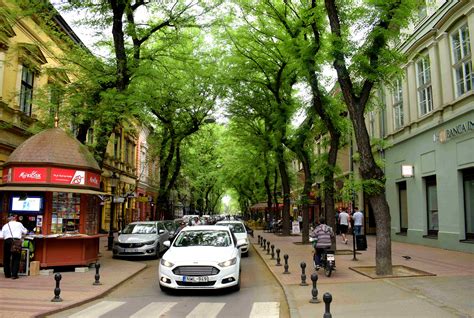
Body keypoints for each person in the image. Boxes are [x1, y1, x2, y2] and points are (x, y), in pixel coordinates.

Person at [2, 215, 27, 279]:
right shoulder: (19, 224)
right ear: (15, 219)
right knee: (16, 258)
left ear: (9, 220)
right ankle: (14, 275)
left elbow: (2, 235)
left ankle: (7, 274)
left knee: (6, 258)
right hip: (16, 241)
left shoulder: (5, 225)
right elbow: (25, 231)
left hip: (7, 241)